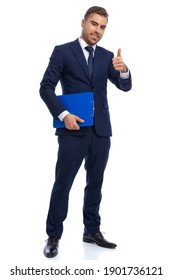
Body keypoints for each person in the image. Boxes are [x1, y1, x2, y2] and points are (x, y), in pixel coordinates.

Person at [40, 6, 132, 258]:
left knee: (95, 184)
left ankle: (91, 230)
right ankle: (53, 235)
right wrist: (64, 115)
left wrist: (123, 70)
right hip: (73, 131)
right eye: (94, 24)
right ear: (83, 22)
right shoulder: (63, 52)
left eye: (102, 27)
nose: (97, 31)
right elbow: (45, 87)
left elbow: (125, 87)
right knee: (63, 183)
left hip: (101, 131)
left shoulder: (106, 56)